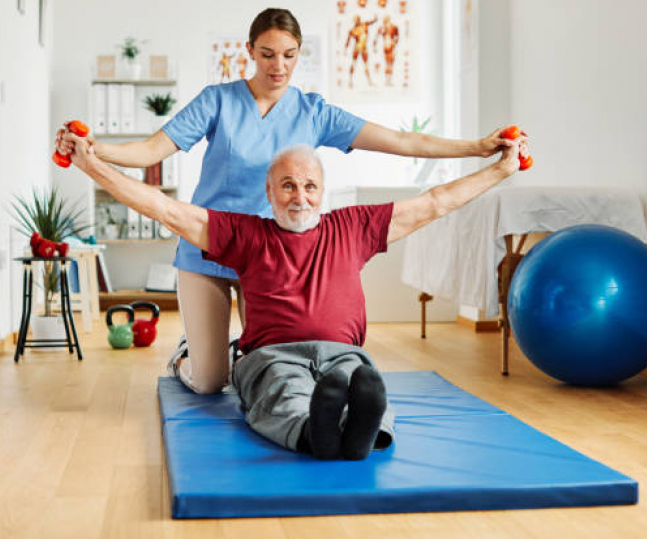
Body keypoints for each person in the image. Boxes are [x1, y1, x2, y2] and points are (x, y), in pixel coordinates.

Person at [54, 7, 525, 396]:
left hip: (270, 258)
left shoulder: (314, 112)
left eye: (289, 55)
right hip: (209, 248)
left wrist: (477, 147)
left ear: (300, 55)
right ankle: (188, 355)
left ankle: (235, 359)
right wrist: (97, 150)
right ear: (249, 52)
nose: (278, 66)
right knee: (210, 382)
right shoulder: (217, 101)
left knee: (275, 364)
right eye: (267, 54)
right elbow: (151, 150)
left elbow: (403, 141)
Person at [64, 130, 526, 460]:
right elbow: (162, 207)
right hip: (272, 356)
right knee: (283, 392)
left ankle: (354, 432)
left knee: (360, 385)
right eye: (287, 185)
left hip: (343, 354)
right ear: (269, 191)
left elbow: (436, 201)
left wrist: (501, 168)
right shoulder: (245, 234)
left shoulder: (354, 226)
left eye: (308, 186)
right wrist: (91, 164)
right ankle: (315, 434)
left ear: (322, 192)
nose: (299, 196)